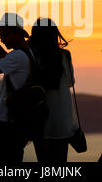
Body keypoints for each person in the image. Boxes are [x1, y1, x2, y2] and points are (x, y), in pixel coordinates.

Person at [0, 13, 32, 164]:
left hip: (4, 122)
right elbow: (8, 62)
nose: (1, 38)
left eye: (4, 34)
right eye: (0, 34)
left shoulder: (17, 56)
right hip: (17, 124)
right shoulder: (27, 52)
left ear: (16, 33)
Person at [29, 18, 78, 163]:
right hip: (62, 115)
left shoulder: (32, 56)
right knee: (60, 163)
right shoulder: (64, 55)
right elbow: (70, 82)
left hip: (40, 116)